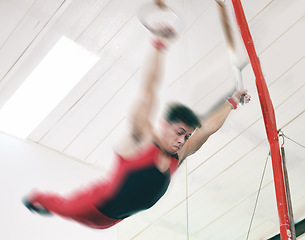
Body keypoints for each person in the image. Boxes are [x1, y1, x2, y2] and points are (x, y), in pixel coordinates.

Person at [23, 25, 250, 229]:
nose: (183, 140)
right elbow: (148, 89)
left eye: (187, 136)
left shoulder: (177, 156)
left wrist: (232, 102)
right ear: (164, 125)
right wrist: (159, 44)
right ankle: (37, 198)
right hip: (90, 206)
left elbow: (207, 128)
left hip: (114, 220)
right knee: (58, 205)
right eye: (179, 132)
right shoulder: (141, 139)